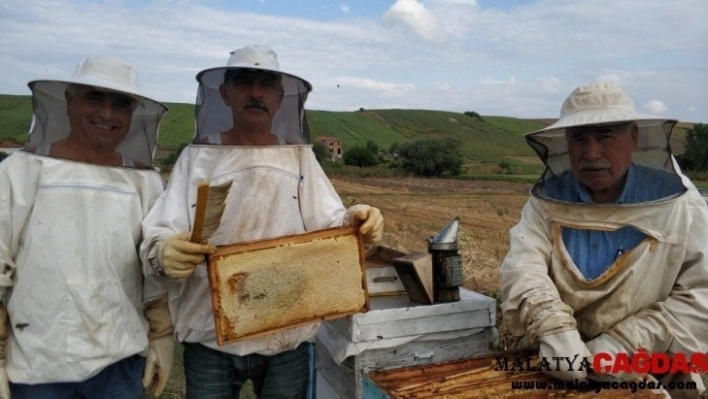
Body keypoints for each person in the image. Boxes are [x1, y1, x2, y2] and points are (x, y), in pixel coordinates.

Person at [140, 45, 384, 398]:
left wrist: (356, 219)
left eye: (266, 84)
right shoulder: (197, 158)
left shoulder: (298, 157)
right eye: (244, 82)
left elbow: (330, 224)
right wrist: (164, 250)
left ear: (281, 96)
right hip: (211, 332)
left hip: (287, 331)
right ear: (225, 93)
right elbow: (163, 228)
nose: (256, 92)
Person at [499, 82, 707, 397]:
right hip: (560, 366)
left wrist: (628, 341)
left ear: (633, 137)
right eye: (579, 138)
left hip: (653, 367)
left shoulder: (681, 205)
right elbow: (523, 263)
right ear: (566, 144)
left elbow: (700, 294)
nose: (592, 152)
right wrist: (550, 322)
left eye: (606, 135)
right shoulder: (547, 201)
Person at [0, 56, 175, 398]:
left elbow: (153, 268)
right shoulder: (21, 170)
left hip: (121, 361)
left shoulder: (145, 182)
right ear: (69, 100)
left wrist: (162, 334)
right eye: (94, 98)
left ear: (133, 113)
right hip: (36, 364)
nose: (107, 114)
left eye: (120, 104)